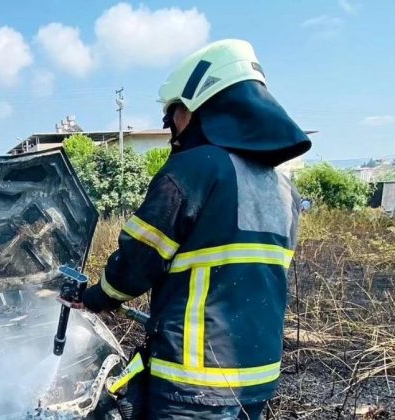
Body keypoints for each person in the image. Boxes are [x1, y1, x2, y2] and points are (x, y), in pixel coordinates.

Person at [79, 39, 312, 419]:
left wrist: (97, 297)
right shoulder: (284, 188)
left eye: (174, 113)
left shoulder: (194, 169)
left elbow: (139, 260)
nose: (170, 125)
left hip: (194, 382)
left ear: (200, 108)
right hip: (258, 380)